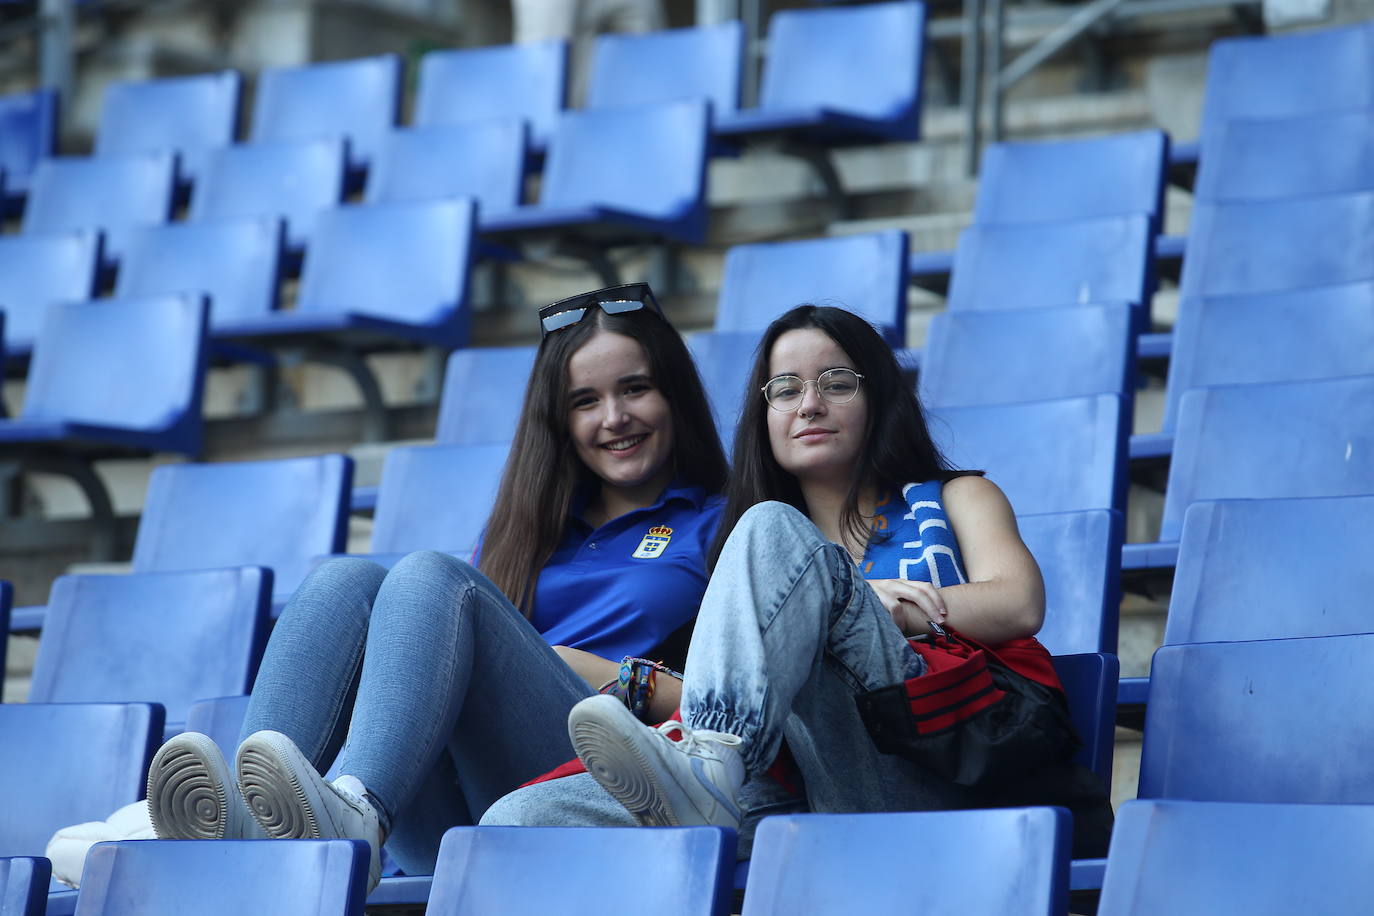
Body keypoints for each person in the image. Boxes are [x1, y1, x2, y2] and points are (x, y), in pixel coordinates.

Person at [141, 283, 729, 889]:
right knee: (343, 581)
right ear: (559, 420)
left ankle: (356, 810)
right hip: (453, 807)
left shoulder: (722, 522)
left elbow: (741, 710)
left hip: (595, 776)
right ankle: (248, 821)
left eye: (635, 388)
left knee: (429, 575)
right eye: (585, 400)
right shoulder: (523, 533)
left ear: (674, 395)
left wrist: (594, 671)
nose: (614, 418)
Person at [481, 304, 1113, 857]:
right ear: (764, 414)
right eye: (784, 389)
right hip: (795, 793)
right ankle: (710, 774)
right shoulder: (737, 556)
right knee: (516, 821)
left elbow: (1019, 602)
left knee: (772, 528)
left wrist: (878, 606)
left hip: (928, 769)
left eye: (836, 383)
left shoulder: (954, 497)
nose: (809, 403)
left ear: (878, 399)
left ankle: (709, 767)